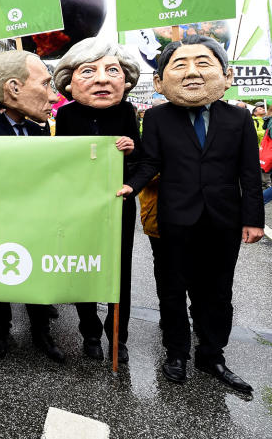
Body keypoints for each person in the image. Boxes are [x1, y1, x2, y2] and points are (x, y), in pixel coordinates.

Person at [121, 35, 263, 394]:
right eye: (180, 64)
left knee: (216, 292)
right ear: (161, 78)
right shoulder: (155, 118)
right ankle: (177, 352)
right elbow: (150, 161)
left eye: (203, 62)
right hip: (174, 219)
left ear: (224, 74)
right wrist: (131, 186)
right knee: (171, 290)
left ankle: (212, 354)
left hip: (223, 220)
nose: (192, 72)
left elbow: (249, 172)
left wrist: (253, 219)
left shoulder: (239, 118)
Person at [53, 37, 145, 363]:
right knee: (84, 268)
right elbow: (58, 163)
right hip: (79, 205)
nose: (102, 79)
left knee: (120, 272)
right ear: (70, 81)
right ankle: (90, 332)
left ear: (126, 80)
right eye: (89, 71)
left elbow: (141, 159)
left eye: (112, 70)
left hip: (118, 204)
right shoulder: (65, 116)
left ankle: (118, 336)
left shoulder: (127, 112)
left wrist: (131, 157)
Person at [0, 50, 65, 363]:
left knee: (38, 278)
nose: (52, 97)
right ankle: (2, 332)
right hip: (0, 221)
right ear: (14, 89)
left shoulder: (42, 131)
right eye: (45, 85)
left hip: (36, 222)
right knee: (1, 277)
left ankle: (42, 333)